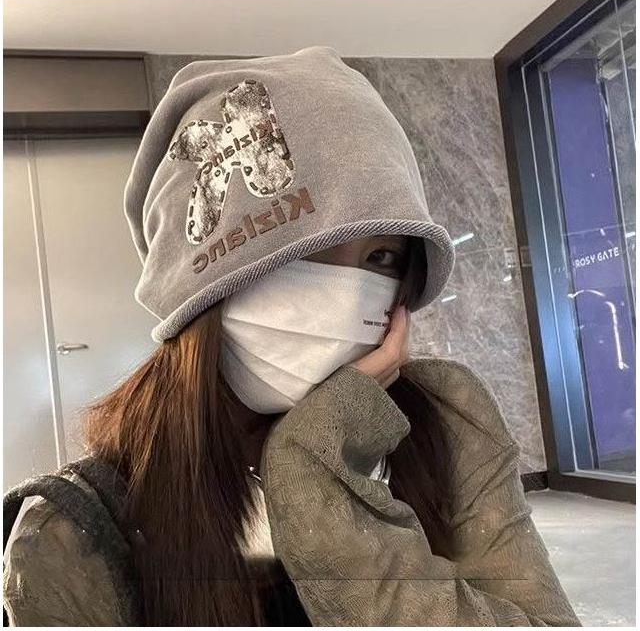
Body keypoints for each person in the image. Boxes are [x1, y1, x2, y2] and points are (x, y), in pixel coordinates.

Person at [3, 46, 582, 627]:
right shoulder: (71, 535)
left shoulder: (449, 418)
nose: (345, 295)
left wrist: (312, 465)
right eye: (300, 253)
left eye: (381, 256)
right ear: (193, 294)